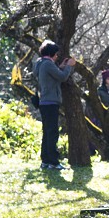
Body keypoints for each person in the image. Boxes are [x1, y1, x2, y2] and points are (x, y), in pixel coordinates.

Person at [34, 40, 75, 170]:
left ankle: (45, 160)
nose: (57, 57)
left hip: (44, 102)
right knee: (53, 133)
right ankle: (53, 161)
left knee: (47, 132)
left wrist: (60, 66)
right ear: (51, 54)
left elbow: (53, 75)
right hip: (51, 101)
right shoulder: (47, 64)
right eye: (56, 55)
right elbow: (62, 77)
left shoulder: (40, 64)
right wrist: (68, 66)